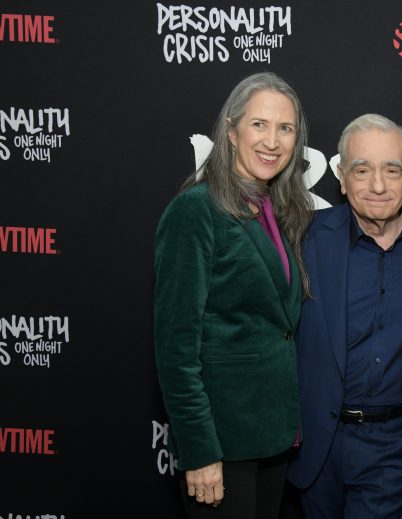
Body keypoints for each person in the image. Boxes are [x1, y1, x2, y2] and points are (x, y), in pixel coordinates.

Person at [154, 71, 312, 518]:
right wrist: (200, 450)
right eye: (259, 124)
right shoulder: (195, 211)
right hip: (222, 443)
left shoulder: (279, 209)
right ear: (230, 130)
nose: (273, 141)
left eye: (286, 128)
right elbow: (176, 347)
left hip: (272, 436)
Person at [287, 113, 402, 518]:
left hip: (393, 446)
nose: (378, 186)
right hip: (315, 442)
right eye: (362, 170)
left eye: (392, 170)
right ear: (342, 177)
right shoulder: (304, 237)